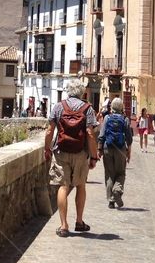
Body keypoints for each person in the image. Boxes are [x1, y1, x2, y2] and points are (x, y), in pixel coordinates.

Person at [44, 80, 99, 237]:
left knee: (63, 186)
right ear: (81, 92)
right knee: (81, 186)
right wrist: (94, 156)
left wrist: (47, 149)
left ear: (68, 91)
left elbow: (49, 131)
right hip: (80, 154)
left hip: (61, 152)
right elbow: (89, 134)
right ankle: (79, 222)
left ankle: (63, 225)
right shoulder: (87, 109)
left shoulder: (59, 106)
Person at [97, 97, 132, 208]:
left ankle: (111, 201)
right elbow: (129, 138)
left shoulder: (107, 118)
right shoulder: (125, 119)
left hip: (108, 148)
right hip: (120, 149)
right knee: (121, 173)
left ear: (112, 107)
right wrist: (128, 152)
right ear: (122, 107)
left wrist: (99, 149)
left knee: (109, 174)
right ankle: (117, 190)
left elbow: (101, 135)